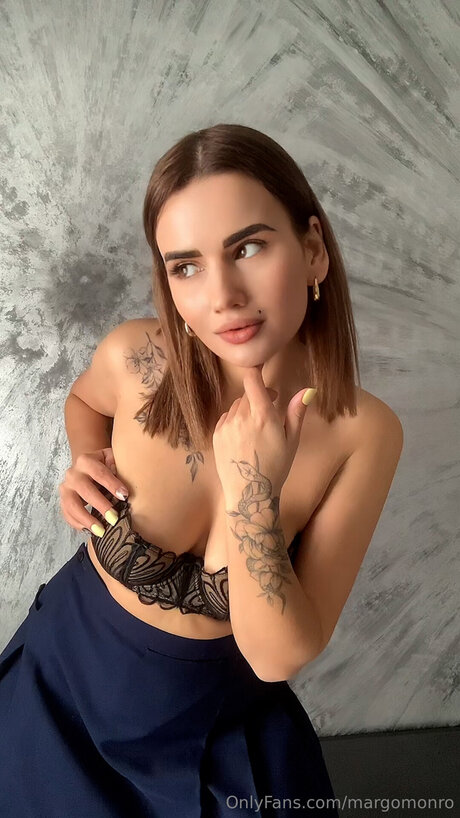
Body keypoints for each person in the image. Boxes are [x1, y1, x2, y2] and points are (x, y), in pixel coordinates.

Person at [0, 123, 403, 816]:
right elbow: (83, 402)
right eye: (186, 266)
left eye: (247, 248)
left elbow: (278, 657)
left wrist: (254, 491)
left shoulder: (363, 433)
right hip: (57, 697)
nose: (223, 296)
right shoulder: (136, 359)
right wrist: (85, 458)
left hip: (213, 737)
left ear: (312, 250)